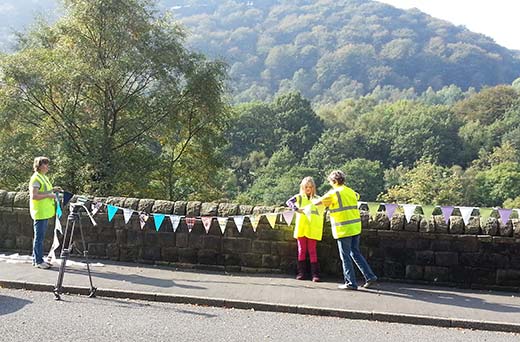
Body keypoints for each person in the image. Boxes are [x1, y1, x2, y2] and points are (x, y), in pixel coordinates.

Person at [313, 170, 377, 290]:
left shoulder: (334, 193)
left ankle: (350, 283)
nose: (330, 184)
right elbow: (357, 197)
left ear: (335, 181)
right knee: (355, 253)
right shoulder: (351, 191)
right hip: (355, 227)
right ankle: (370, 276)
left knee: (345, 256)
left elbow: (317, 202)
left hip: (343, 228)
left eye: (330, 181)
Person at [286, 176, 324, 282]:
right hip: (301, 227)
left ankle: (315, 274)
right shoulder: (299, 197)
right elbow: (289, 202)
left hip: (312, 228)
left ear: (313, 188)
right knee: (301, 250)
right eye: (306, 187)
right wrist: (296, 208)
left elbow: (325, 204)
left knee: (312, 251)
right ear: (302, 187)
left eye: (310, 187)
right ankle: (301, 272)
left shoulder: (317, 198)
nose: (308, 189)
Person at [29, 156, 61, 269]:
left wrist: (53, 190)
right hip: (40, 212)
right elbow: (34, 196)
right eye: (45, 164)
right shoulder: (36, 178)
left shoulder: (43, 177)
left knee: (40, 237)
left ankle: (36, 259)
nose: (47, 166)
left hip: (45, 212)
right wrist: (49, 195)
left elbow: (43, 191)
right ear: (39, 166)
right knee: (39, 238)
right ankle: (38, 261)